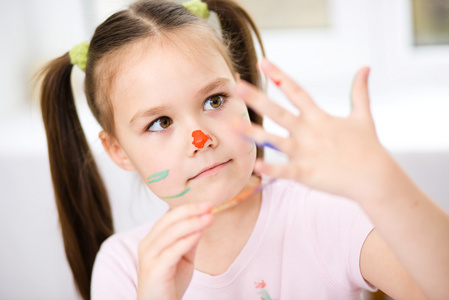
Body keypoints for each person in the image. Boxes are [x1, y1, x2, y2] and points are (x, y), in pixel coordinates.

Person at [37, 0, 449, 299]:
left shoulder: (324, 214)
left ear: (244, 95)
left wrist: (382, 184)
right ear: (118, 151)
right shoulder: (125, 267)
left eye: (214, 100)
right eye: (160, 122)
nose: (201, 138)